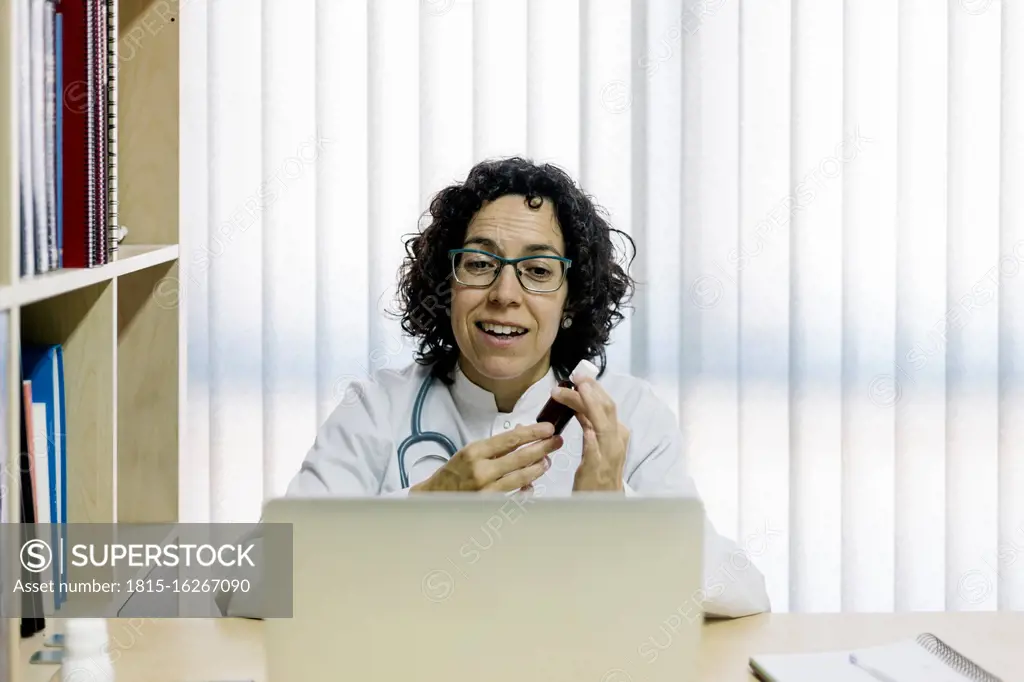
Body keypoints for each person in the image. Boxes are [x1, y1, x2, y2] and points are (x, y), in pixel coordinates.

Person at [218, 157, 770, 619]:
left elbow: (745, 593)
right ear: (446, 283)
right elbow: (244, 586)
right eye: (480, 263)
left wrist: (617, 513)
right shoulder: (375, 410)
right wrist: (426, 506)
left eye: (537, 270)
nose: (505, 294)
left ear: (571, 297)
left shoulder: (628, 417)